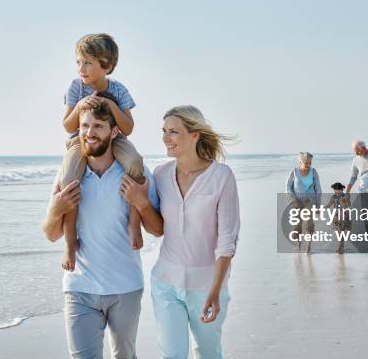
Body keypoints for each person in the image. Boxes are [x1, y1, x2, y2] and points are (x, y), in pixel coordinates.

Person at [41, 99, 161, 359]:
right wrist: (56, 208)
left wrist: (140, 202)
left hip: (125, 286)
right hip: (79, 287)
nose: (89, 132)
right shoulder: (69, 175)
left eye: (98, 126)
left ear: (114, 131)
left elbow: (157, 229)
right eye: (84, 126)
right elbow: (51, 234)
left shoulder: (135, 173)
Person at [121, 105, 240, 359]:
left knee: (208, 353)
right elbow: (158, 229)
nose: (166, 138)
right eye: (164, 131)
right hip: (165, 282)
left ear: (194, 135)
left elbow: (227, 240)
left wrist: (215, 291)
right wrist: (140, 203)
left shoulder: (221, 176)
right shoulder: (161, 174)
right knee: (172, 355)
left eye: (173, 132)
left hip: (207, 286)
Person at [58, 33, 145, 272]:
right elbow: (67, 125)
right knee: (67, 181)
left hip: (114, 138)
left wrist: (112, 107)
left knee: (136, 163)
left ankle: (134, 225)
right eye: (78, 62)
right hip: (80, 141)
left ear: (106, 65)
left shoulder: (118, 89)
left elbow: (128, 127)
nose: (81, 68)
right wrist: (79, 107)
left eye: (87, 63)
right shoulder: (76, 87)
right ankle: (69, 243)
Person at [286, 152, 322, 254]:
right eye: (306, 163)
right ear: (300, 161)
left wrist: (318, 205)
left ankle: (308, 247)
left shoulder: (314, 172)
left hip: (309, 201)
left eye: (310, 163)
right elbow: (288, 187)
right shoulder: (294, 172)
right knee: (297, 224)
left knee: (309, 223)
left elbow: (318, 188)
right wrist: (293, 199)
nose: (308, 165)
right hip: (297, 201)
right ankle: (298, 244)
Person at [325, 182, 352, 254]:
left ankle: (340, 247)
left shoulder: (344, 196)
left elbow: (349, 204)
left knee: (341, 230)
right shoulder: (333, 196)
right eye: (336, 193)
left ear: (342, 190)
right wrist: (323, 208)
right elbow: (329, 204)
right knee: (337, 231)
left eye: (339, 193)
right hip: (336, 215)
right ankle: (341, 245)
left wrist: (345, 201)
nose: (337, 194)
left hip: (344, 214)